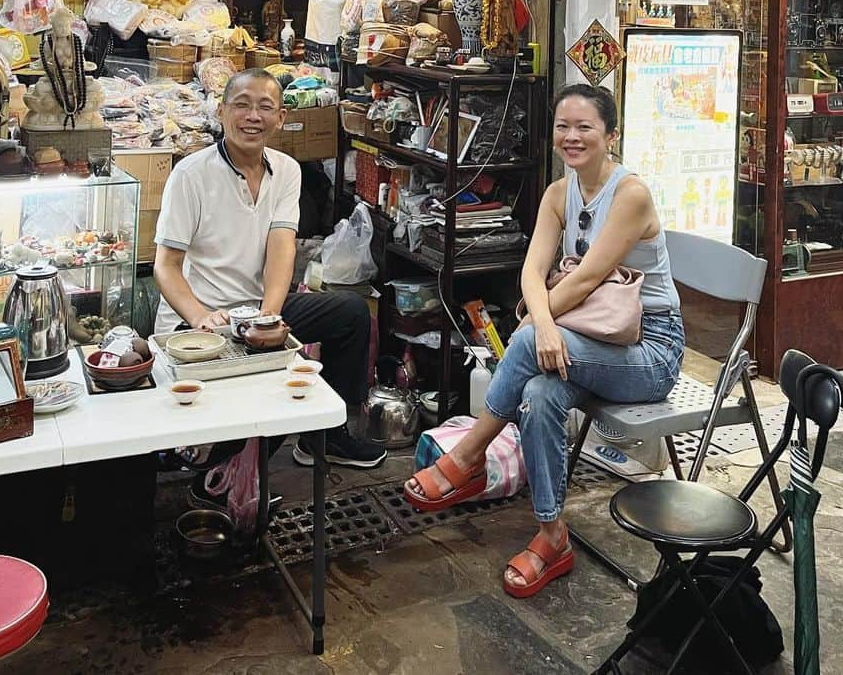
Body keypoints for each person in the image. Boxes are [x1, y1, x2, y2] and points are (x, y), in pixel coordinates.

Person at [404, 83, 684, 597]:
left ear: (611, 135)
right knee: (536, 394)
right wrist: (545, 325)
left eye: (585, 128)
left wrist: (536, 330)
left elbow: (582, 280)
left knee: (529, 344)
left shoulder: (631, 195)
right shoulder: (559, 194)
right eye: (563, 127)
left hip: (650, 351)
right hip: (584, 338)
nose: (571, 137)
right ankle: (553, 534)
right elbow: (532, 275)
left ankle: (468, 456)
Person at [154, 67, 386, 471]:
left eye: (265, 107)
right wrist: (201, 317)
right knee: (241, 407)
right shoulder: (190, 175)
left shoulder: (287, 170)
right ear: (222, 111)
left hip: (256, 309)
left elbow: (282, 247)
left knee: (350, 314)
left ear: (280, 118)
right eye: (241, 106)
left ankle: (327, 437)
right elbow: (166, 266)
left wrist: (270, 314)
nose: (252, 117)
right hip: (199, 320)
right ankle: (220, 468)